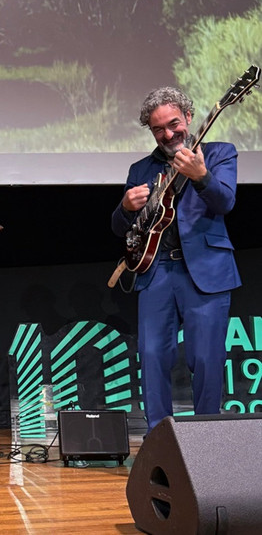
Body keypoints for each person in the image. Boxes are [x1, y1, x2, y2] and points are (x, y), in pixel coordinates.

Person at [111, 87, 239, 433]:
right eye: (158, 129)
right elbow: (120, 228)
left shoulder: (218, 154)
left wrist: (201, 177)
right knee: (152, 358)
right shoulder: (141, 168)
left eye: (174, 124)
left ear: (189, 118)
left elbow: (225, 202)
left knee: (207, 359)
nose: (168, 134)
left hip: (206, 270)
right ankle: (159, 444)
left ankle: (206, 440)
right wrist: (125, 208)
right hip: (157, 271)